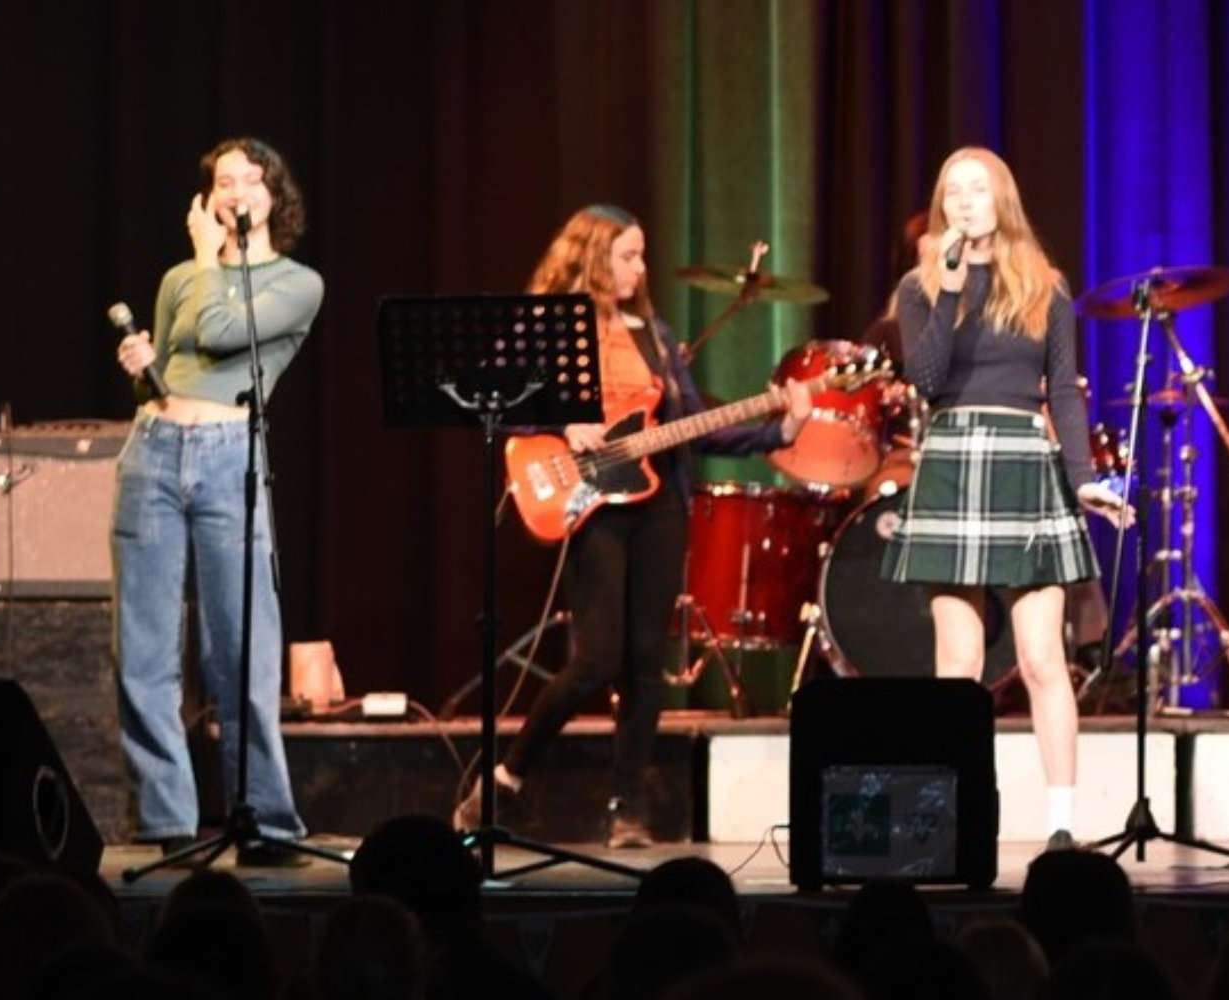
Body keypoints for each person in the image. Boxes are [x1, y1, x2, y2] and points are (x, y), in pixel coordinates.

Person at [454, 204, 811, 847]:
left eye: (640, 255)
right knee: (595, 660)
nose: (640, 268)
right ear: (592, 259)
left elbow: (696, 425)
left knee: (647, 663)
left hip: (658, 505)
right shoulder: (549, 329)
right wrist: (562, 424)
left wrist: (778, 428)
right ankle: (506, 777)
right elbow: (495, 406)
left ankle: (628, 810)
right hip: (592, 503)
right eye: (627, 256)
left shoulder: (656, 335)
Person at [883, 147, 1128, 850]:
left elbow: (1066, 395)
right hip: (953, 462)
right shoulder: (920, 287)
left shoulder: (1046, 285)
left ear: (1003, 200)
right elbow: (927, 381)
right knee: (957, 665)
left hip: (1024, 459)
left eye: (978, 190)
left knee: (1042, 657)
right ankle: (949, 818)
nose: (964, 202)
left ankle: (1061, 825)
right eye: (952, 192)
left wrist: (1083, 478)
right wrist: (950, 288)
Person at [112, 137, 322, 866]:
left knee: (239, 648)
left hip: (231, 454)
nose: (236, 191)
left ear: (273, 195)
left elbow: (220, 331)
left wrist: (207, 258)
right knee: (143, 650)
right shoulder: (179, 278)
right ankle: (167, 820)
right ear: (205, 199)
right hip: (153, 451)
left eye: (250, 180)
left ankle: (263, 821)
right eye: (222, 181)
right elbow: (173, 368)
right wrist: (141, 368)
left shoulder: (297, 282)